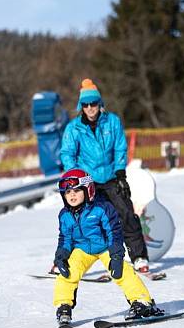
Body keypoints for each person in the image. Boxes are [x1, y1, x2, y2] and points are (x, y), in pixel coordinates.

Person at [59, 78, 151, 273]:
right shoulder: (73, 129)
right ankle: (70, 262)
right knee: (83, 221)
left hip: (111, 177)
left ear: (99, 103)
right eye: (86, 104)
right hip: (86, 180)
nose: (91, 108)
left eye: (94, 103)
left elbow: (120, 148)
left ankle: (139, 257)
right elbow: (67, 154)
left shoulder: (113, 122)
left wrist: (120, 173)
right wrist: (76, 177)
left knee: (126, 215)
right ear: (81, 106)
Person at [52, 168, 163, 327]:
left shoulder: (102, 208)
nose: (72, 195)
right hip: (82, 249)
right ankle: (63, 306)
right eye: (68, 192)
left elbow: (114, 233)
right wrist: (61, 256)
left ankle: (142, 302)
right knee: (68, 272)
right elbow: (65, 238)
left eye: (76, 191)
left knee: (122, 271)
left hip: (105, 247)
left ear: (88, 190)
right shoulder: (65, 215)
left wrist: (116, 256)